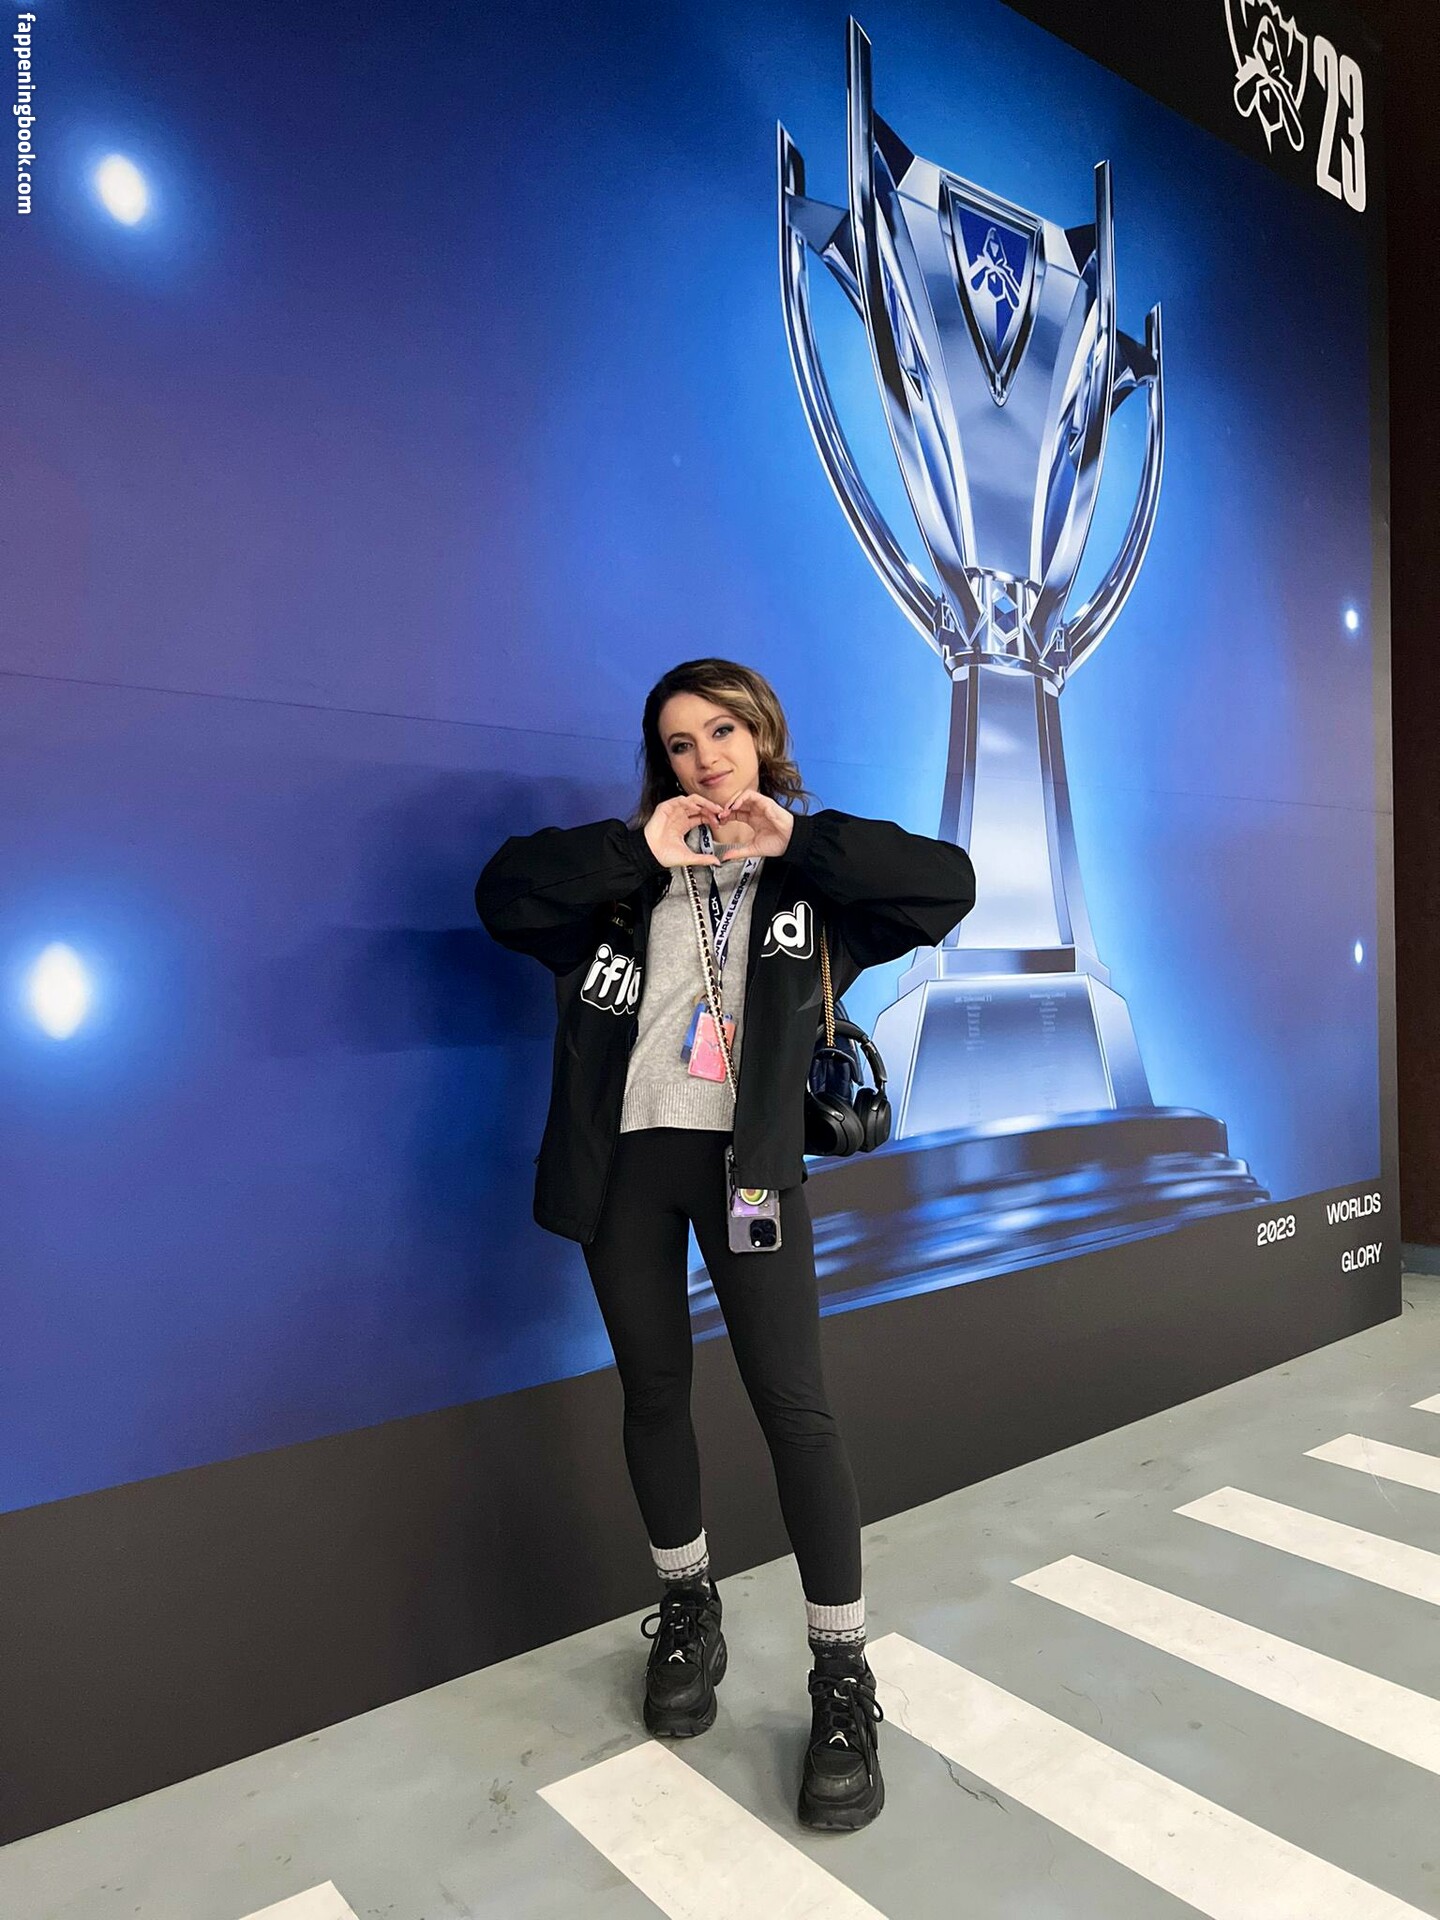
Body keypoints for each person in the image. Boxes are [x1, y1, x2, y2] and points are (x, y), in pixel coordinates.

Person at [475, 658, 975, 1831]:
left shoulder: (811, 885)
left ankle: (840, 1677)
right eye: (681, 743)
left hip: (748, 1174)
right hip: (625, 1174)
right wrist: (638, 851)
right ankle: (689, 1612)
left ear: (762, 736)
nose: (705, 759)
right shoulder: (622, 883)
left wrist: (793, 836)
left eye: (723, 733)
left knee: (795, 1410)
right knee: (653, 1392)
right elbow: (504, 895)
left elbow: (944, 885)